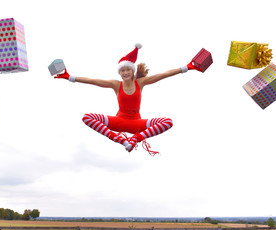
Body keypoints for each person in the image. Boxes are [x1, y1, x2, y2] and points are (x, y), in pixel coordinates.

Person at [55, 43, 202, 155]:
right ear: (120, 73)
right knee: (87, 117)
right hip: (119, 122)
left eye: (127, 70)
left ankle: (134, 139)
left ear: (132, 71)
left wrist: (187, 67)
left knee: (168, 122)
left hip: (136, 124)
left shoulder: (140, 82)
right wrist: (70, 77)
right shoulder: (115, 85)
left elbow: (164, 74)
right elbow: (93, 80)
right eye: (122, 70)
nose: (125, 72)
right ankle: (120, 140)